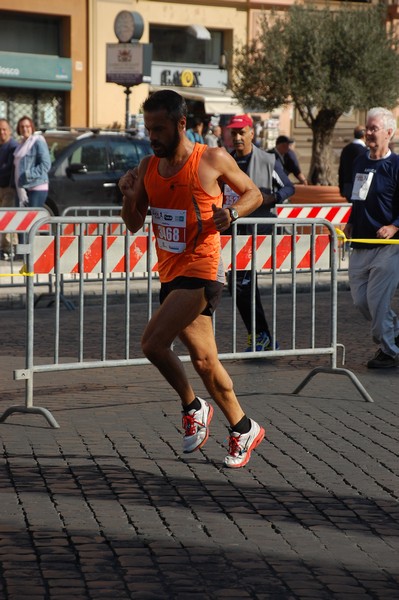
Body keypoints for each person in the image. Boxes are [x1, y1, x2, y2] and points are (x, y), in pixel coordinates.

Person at [119, 90, 265, 468]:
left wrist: (230, 214)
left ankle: (193, 405)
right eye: (149, 129)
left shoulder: (211, 158)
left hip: (202, 268)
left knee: (152, 343)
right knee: (203, 360)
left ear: (181, 124)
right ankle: (243, 426)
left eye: (160, 129)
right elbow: (135, 223)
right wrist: (128, 196)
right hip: (170, 271)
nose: (153, 136)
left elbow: (254, 193)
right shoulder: (150, 166)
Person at [224, 114, 295, 351]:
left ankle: (261, 336)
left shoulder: (267, 160)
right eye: (233, 133)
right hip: (232, 233)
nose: (237, 137)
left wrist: (270, 198)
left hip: (257, 232)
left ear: (251, 133)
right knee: (239, 285)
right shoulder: (226, 160)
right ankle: (260, 336)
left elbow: (288, 187)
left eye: (241, 132)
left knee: (243, 284)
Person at [343, 107, 399, 369]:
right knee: (362, 302)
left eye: (373, 128)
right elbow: (359, 197)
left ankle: (390, 351)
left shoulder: (396, 165)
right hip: (361, 244)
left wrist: (394, 226)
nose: (368, 133)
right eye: (367, 128)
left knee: (377, 302)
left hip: (388, 247)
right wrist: (352, 222)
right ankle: (395, 331)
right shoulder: (360, 161)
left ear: (389, 133)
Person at [13, 115, 51, 208]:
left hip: (36, 187)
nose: (25, 129)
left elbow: (46, 164)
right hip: (22, 188)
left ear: (32, 128)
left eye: (27, 126)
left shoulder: (38, 141)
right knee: (22, 219)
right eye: (22, 127)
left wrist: (28, 175)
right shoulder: (20, 145)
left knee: (32, 219)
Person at [0, 119, 18, 260]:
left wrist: (11, 185)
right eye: (0, 129)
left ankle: (9, 248)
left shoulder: (13, 147)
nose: (2, 132)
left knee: (8, 219)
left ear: (10, 131)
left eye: (4, 129)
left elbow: (11, 169)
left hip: (9, 189)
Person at [338, 125, 367, 200]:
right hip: (361, 186)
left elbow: (341, 169)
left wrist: (341, 187)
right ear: (364, 136)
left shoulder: (346, 149)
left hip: (347, 185)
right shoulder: (365, 151)